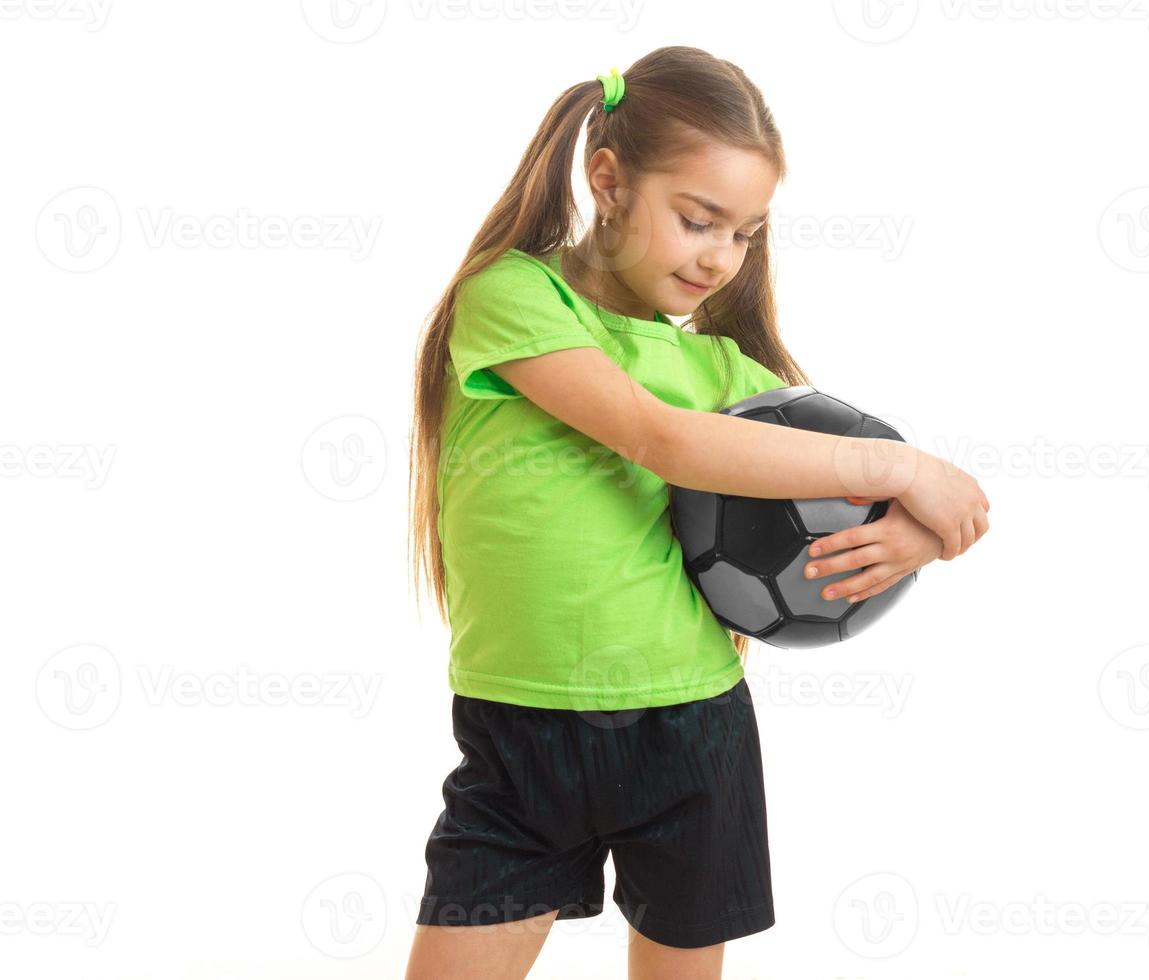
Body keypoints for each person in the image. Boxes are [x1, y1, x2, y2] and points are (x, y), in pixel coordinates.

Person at [404, 46, 990, 980]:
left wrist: (915, 531)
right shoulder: (515, 299)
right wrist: (901, 465)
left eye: (746, 234)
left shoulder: (733, 381)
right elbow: (657, 437)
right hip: (521, 732)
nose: (721, 258)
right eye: (698, 220)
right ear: (608, 180)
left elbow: (876, 493)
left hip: (690, 730)